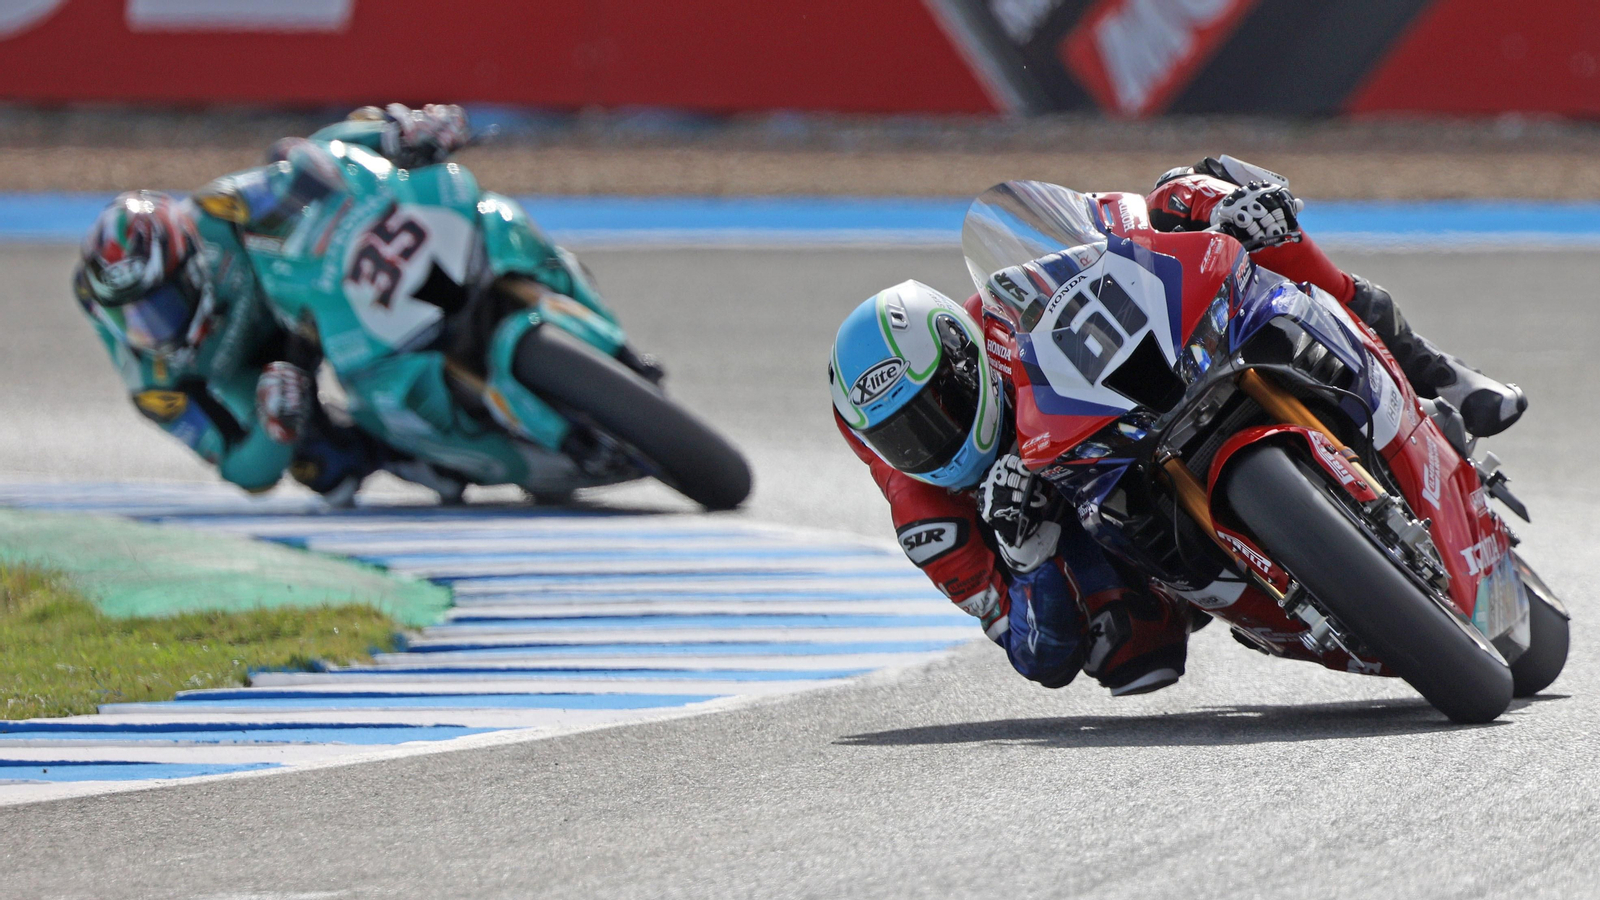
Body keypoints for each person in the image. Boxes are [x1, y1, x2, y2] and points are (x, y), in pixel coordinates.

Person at [829, 157, 1527, 695]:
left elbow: (1110, 228)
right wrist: (1029, 559)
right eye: (901, 439)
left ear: (961, 356)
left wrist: (1213, 211)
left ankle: (1438, 374)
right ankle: (1271, 584)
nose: (930, 445)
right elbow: (1039, 658)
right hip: (1093, 513)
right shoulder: (930, 519)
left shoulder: (1001, 308)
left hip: (1139, 396)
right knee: (1125, 656)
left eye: (935, 411)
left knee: (1199, 188)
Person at [74, 104, 653, 503]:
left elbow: (308, 159)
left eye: (159, 308)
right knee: (323, 468)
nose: (150, 330)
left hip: (321, 284)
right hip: (271, 361)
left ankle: (594, 324)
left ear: (193, 265)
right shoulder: (154, 379)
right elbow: (239, 470)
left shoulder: (216, 213)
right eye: (131, 319)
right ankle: (425, 457)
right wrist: (273, 431)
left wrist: (397, 133)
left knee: (495, 214)